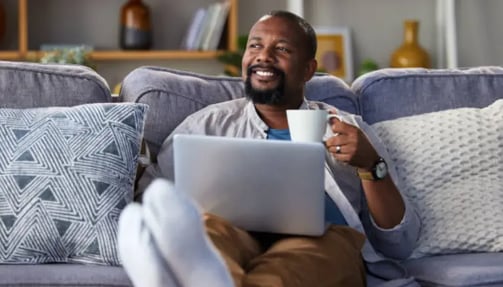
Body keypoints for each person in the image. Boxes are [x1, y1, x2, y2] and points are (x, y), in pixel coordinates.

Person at [118, 10, 421, 287]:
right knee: (208, 231)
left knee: (300, 262)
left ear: (308, 69)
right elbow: (154, 197)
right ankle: (202, 272)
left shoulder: (347, 129)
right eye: (255, 46)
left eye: (282, 49)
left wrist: (371, 167)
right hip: (235, 234)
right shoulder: (206, 124)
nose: (264, 57)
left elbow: (400, 242)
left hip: (320, 240)